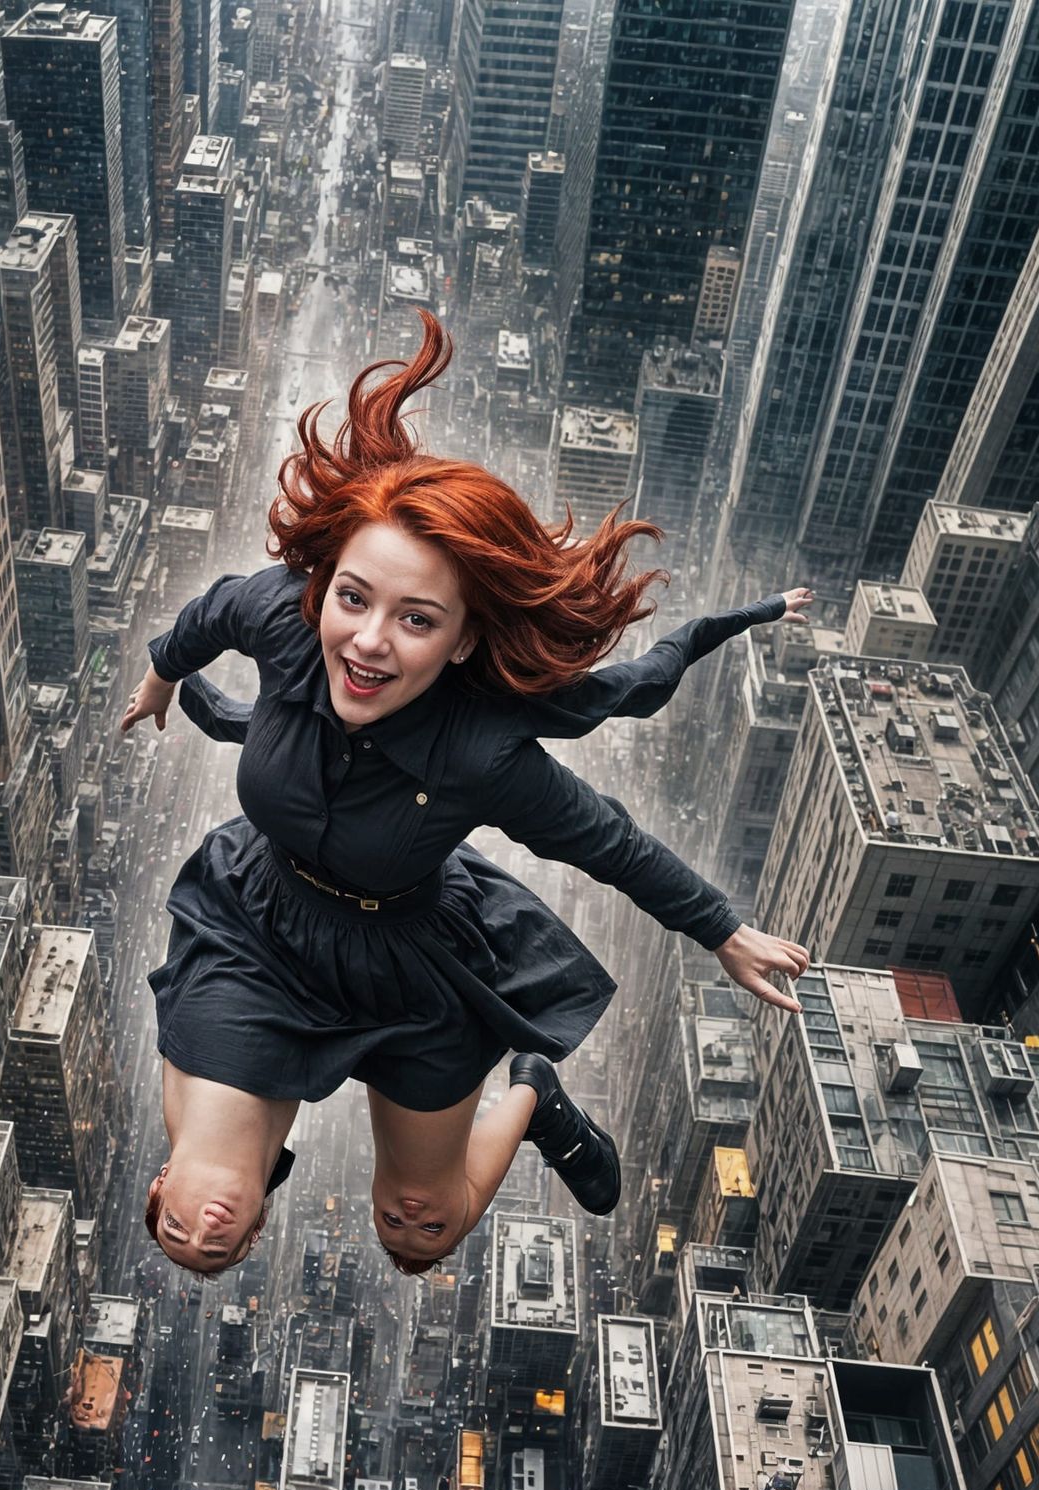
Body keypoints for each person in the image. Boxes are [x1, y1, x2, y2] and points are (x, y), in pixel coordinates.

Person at [123, 312, 812, 1274]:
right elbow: (206, 618)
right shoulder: (283, 619)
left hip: (413, 965)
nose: (367, 642)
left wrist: (723, 932)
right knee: (201, 1218)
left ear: (465, 643)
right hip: (259, 926)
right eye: (354, 599)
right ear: (323, 587)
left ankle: (531, 1090)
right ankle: (255, 1115)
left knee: (420, 1228)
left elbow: (608, 843)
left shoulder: (477, 754)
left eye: (417, 620)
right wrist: (161, 678)